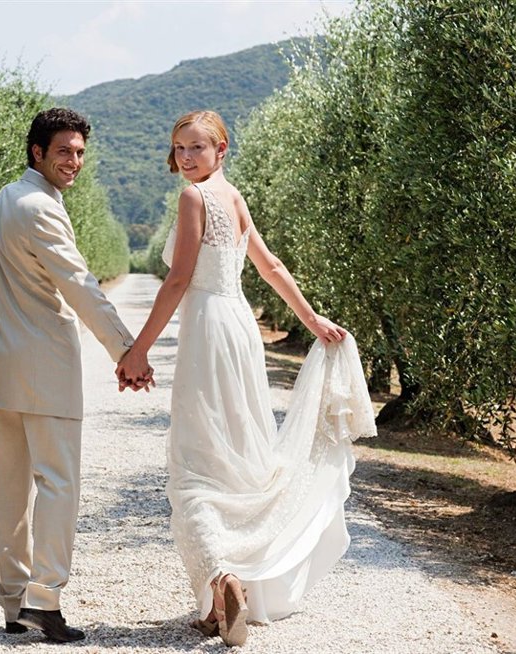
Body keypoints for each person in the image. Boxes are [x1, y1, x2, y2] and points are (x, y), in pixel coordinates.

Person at [118, 110, 376, 646]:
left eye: (197, 147)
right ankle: (226, 596)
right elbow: (270, 266)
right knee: (239, 455)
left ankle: (221, 576)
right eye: (179, 148)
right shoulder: (233, 197)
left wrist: (138, 349)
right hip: (239, 328)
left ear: (221, 149)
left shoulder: (194, 198)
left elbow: (179, 279)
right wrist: (312, 320)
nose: (186, 157)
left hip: (209, 329)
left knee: (196, 461)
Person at [0, 107, 152, 643]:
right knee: (58, 483)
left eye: (80, 152)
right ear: (37, 152)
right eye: (64, 151)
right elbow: (79, 284)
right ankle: (44, 600)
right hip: (47, 366)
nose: (74, 161)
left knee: (11, 490)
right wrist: (126, 350)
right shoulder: (41, 207)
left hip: (4, 365)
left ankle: (13, 601)